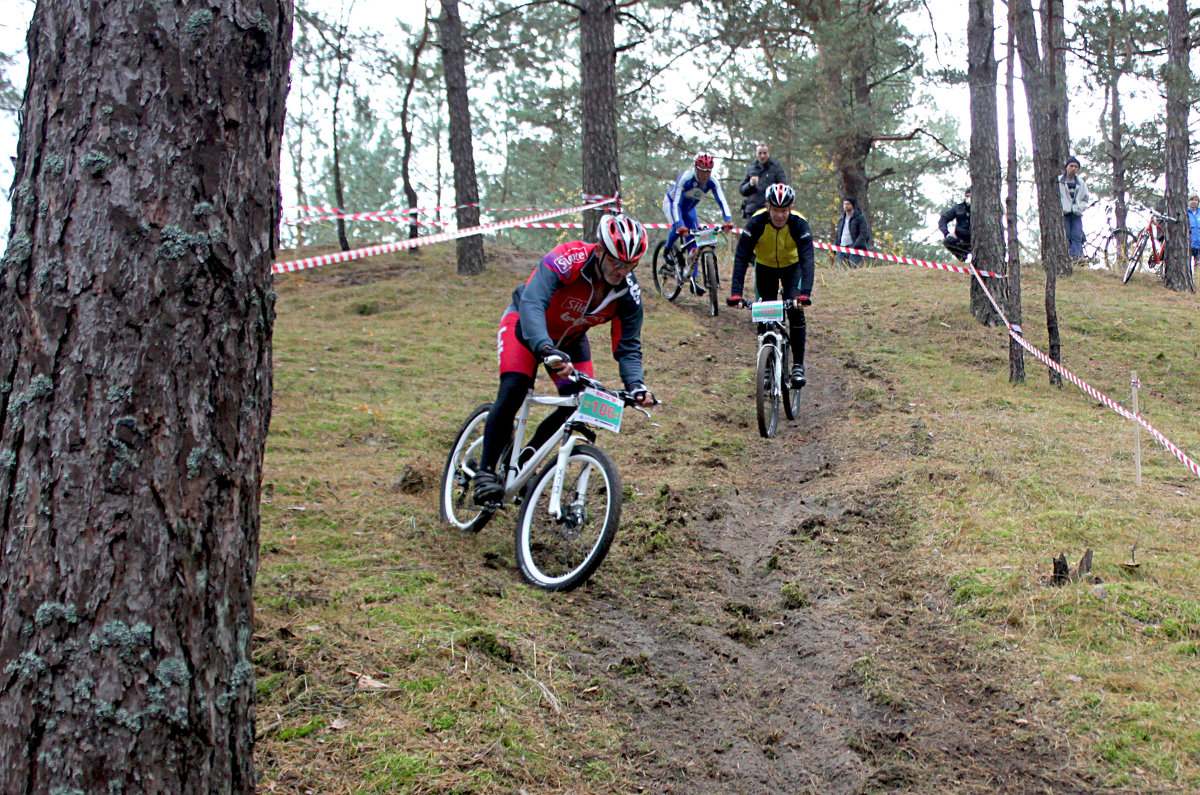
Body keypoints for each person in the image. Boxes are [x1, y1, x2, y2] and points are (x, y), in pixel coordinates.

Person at [473, 214, 657, 505]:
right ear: (599, 250)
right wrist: (545, 348)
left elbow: (628, 346)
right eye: (615, 262)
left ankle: (523, 465)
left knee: (579, 404)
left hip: (570, 340)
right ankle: (484, 472)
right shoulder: (567, 258)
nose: (620, 271)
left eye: (629, 265)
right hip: (524, 326)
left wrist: (636, 385)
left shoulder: (628, 295)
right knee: (514, 389)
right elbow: (533, 302)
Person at [726, 183, 814, 388]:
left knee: (795, 310)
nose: (780, 215)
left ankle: (798, 366)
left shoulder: (799, 224)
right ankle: (766, 368)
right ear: (768, 207)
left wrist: (804, 293)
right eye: (775, 210)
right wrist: (736, 294)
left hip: (792, 268)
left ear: (790, 209)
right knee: (764, 312)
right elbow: (741, 257)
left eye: (784, 210)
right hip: (765, 267)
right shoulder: (756, 223)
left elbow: (808, 260)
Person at [662, 152, 734, 296]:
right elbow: (676, 203)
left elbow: (722, 200)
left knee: (695, 241)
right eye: (702, 171)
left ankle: (694, 281)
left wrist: (728, 220)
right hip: (672, 204)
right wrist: (680, 225)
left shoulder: (712, 181)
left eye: (708, 171)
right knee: (677, 229)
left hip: (689, 210)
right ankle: (667, 250)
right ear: (696, 168)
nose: (705, 175)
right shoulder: (686, 178)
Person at [738, 143, 788, 219]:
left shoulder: (776, 168)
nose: (762, 156)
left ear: (768, 153)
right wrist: (750, 185)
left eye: (764, 153)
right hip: (752, 211)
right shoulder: (751, 168)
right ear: (756, 154)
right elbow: (742, 190)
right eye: (760, 153)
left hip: (770, 211)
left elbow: (784, 188)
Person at [1059, 156, 1090, 260]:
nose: (1074, 168)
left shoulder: (1081, 184)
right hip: (1064, 214)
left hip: (1076, 214)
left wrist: (1079, 207)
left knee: (1076, 236)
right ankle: (1066, 259)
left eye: (1076, 167)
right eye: (1071, 166)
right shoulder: (1059, 181)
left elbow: (1085, 199)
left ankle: (1077, 259)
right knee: (1066, 236)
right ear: (1067, 167)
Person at [834, 197, 870, 267]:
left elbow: (863, 234)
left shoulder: (860, 218)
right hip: (842, 248)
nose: (846, 206)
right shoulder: (841, 220)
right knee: (843, 270)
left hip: (855, 249)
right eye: (844, 204)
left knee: (855, 269)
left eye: (848, 204)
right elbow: (837, 234)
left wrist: (855, 246)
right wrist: (835, 246)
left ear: (852, 205)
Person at [938, 188, 971, 261]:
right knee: (948, 240)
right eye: (967, 196)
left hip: (976, 241)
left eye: (971, 196)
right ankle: (962, 258)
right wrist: (947, 233)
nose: (969, 198)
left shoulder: (981, 210)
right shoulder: (958, 208)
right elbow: (943, 219)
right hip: (960, 240)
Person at [1188, 194, 1200, 276]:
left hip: (1199, 243)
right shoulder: (1185, 212)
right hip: (1189, 243)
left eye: (1196, 200)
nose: (1194, 202)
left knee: (1198, 265)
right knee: (1187, 263)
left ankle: (1196, 280)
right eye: (1192, 199)